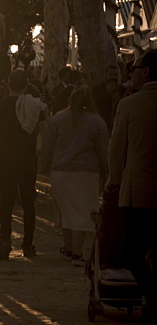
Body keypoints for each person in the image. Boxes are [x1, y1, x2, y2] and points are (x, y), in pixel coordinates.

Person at [107, 50, 157, 325]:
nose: (131, 73)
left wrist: (114, 181)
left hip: (138, 192)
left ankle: (154, 299)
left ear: (146, 72)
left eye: (134, 68)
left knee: (132, 253)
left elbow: (116, 151)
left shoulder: (129, 105)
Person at [40, 86, 109, 265]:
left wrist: (45, 166)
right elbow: (103, 151)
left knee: (67, 212)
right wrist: (106, 171)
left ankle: (69, 247)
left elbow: (47, 146)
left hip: (60, 172)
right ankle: (77, 253)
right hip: (86, 172)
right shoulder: (97, 122)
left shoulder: (58, 119)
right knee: (83, 213)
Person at [0, 68, 47, 259]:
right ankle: (28, 244)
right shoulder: (35, 107)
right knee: (28, 202)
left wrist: (0, 156)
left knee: (6, 202)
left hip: (8, 158)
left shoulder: (0, 106)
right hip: (28, 159)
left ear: (8, 85)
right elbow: (42, 131)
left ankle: (5, 242)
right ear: (26, 86)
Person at [91, 64, 122, 128]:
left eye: (115, 75)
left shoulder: (123, 91)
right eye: (110, 75)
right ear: (105, 75)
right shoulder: (96, 90)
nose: (113, 77)